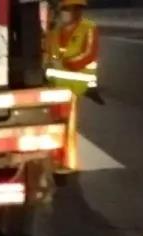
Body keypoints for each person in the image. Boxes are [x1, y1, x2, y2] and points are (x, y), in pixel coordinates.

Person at [46, 0, 100, 172]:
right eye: (68, 9)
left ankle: (67, 162)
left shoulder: (88, 28)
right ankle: (55, 158)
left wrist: (66, 64)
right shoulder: (55, 32)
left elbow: (89, 54)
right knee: (54, 123)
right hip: (55, 85)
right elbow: (48, 53)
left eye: (76, 9)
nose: (71, 12)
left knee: (68, 125)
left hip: (74, 85)